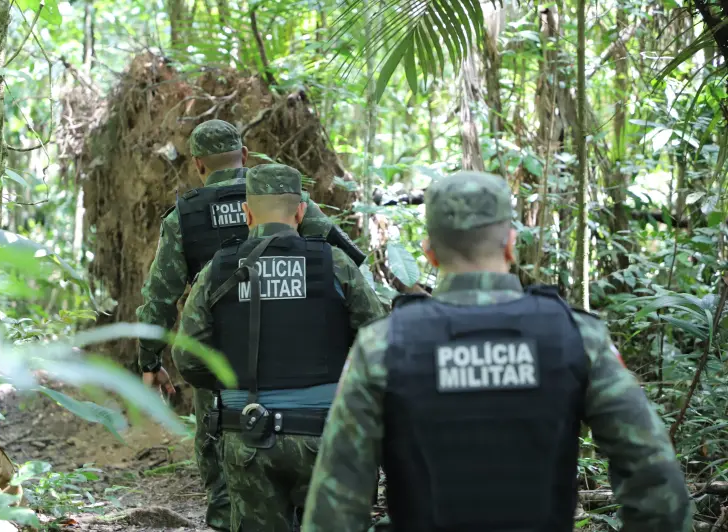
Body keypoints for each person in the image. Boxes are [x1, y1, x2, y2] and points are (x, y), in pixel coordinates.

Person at [301, 171, 692, 532]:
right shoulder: (575, 336)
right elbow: (656, 481)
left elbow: (336, 505)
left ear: (429, 252)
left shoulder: (383, 346)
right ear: (510, 244)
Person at [136, 120, 366, 530]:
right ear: (244, 155)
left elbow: (159, 296)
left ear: (198, 165)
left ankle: (229, 520)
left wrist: (150, 361)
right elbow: (344, 261)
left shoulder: (184, 217)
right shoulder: (284, 198)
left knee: (228, 456)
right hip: (307, 372)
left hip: (225, 367)